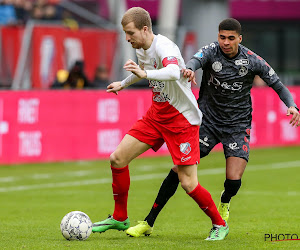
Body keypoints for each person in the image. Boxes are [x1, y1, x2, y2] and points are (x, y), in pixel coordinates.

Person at [126, 18, 300, 237]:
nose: (225, 42)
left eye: (230, 38)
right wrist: (189, 69)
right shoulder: (210, 51)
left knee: (234, 180)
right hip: (206, 123)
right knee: (178, 171)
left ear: (239, 38)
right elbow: (194, 61)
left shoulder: (252, 61)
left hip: (237, 126)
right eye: (222, 37)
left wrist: (292, 106)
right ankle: (148, 222)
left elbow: (278, 85)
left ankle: (225, 202)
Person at [92, 7, 229, 241]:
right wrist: (124, 83)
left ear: (145, 29)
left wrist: (144, 75)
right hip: (156, 116)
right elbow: (142, 71)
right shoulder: (143, 46)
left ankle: (219, 223)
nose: (127, 38)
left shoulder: (164, 46)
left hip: (181, 120)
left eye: (130, 33)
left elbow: (174, 71)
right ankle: (119, 217)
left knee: (188, 183)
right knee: (117, 158)